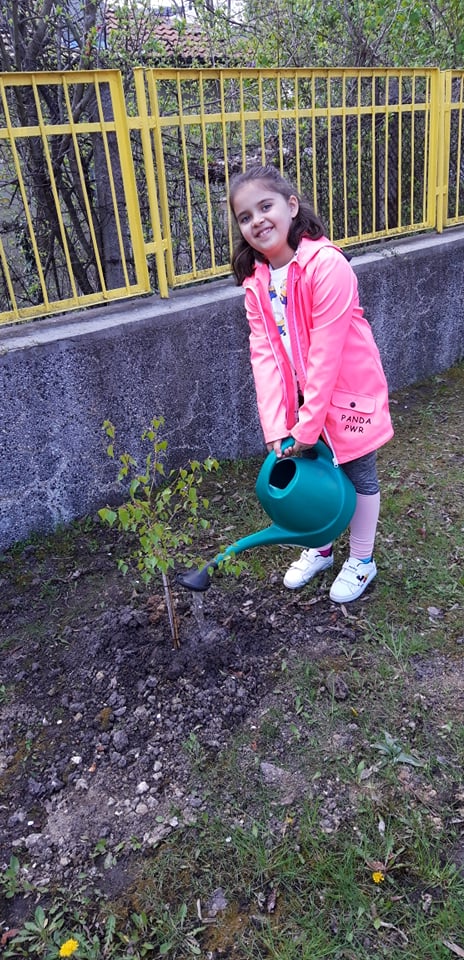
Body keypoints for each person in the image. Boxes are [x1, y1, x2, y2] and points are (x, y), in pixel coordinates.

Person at [229, 164, 394, 603]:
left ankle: (361, 560)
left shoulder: (326, 265)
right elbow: (262, 355)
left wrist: (306, 425)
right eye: (245, 216)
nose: (257, 221)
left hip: (346, 394)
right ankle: (319, 546)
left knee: (357, 471)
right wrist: (277, 426)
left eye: (265, 207)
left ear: (292, 206)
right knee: (310, 472)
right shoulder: (257, 282)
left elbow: (326, 353)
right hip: (299, 400)